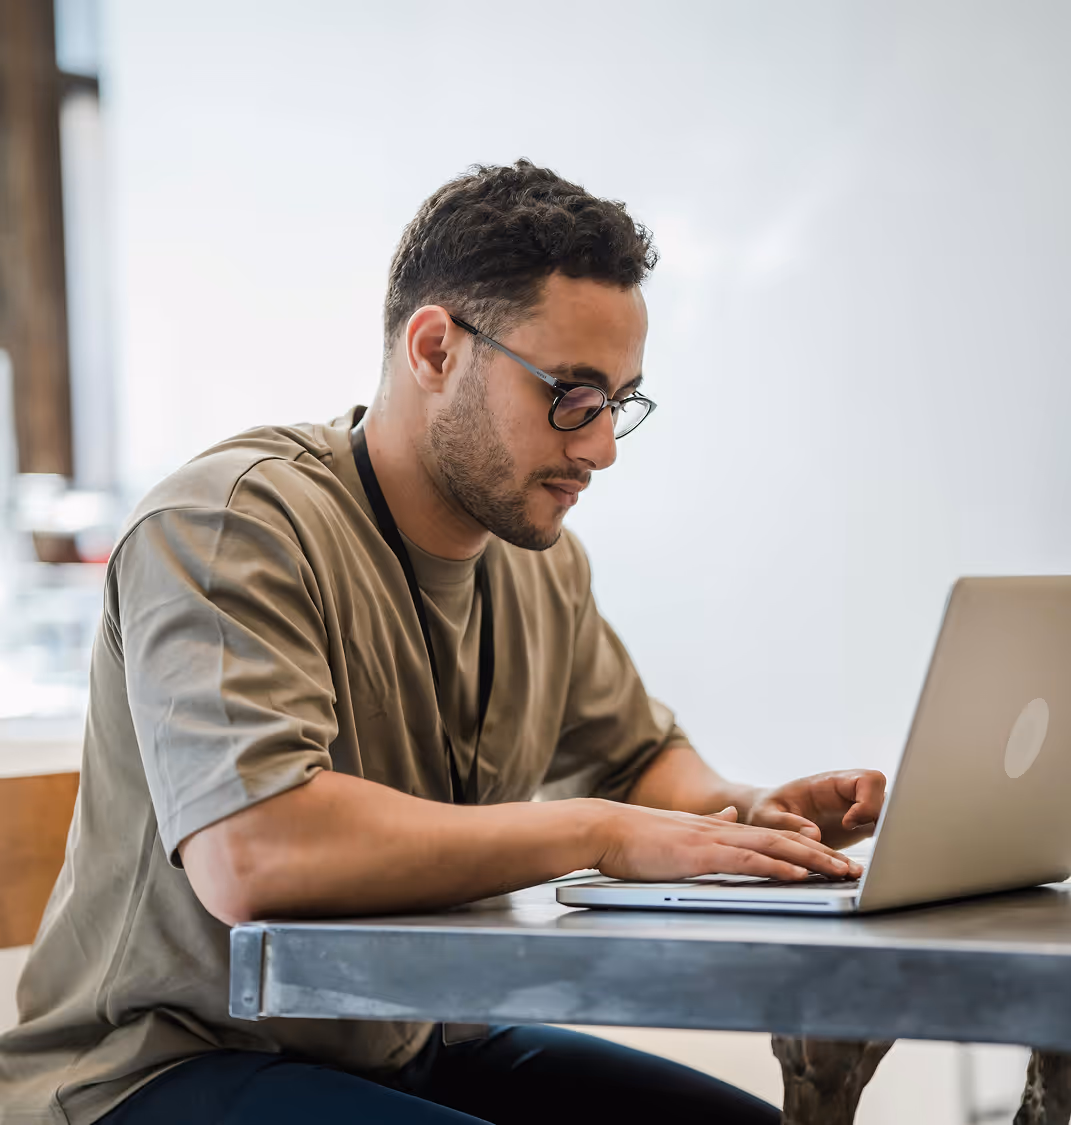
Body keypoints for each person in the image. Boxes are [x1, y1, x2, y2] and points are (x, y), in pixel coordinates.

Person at [0, 160, 885, 1125]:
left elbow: (635, 762)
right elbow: (254, 853)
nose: (600, 448)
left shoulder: (539, 561)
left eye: (620, 401)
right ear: (433, 348)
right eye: (571, 394)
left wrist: (745, 816)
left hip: (407, 1037)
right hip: (160, 1067)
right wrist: (597, 831)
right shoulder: (229, 521)